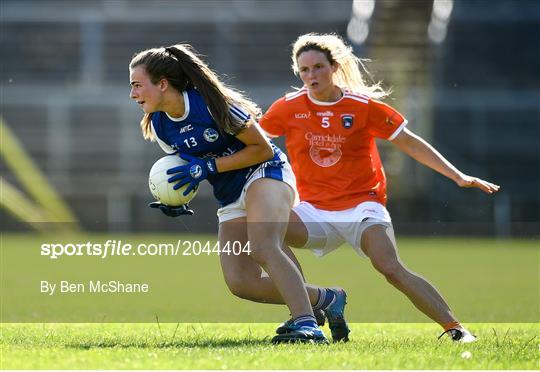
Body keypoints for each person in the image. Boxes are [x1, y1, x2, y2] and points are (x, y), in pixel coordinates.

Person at [258, 33, 500, 343]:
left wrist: (457, 176)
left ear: (334, 67)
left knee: (389, 267)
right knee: (265, 233)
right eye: (304, 70)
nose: (311, 75)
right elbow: (256, 142)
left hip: (362, 205)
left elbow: (410, 143)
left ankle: (456, 329)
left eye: (318, 67)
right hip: (313, 210)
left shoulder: (363, 107)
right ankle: (308, 310)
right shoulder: (288, 107)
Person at [128, 43, 348, 344]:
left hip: (265, 172)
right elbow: (190, 167)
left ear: (162, 84)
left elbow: (262, 149)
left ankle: (306, 324)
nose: (133, 94)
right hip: (230, 193)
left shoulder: (212, 104)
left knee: (263, 246)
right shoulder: (160, 125)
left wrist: (208, 168)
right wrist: (178, 196)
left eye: (137, 85)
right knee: (240, 282)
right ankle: (326, 299)